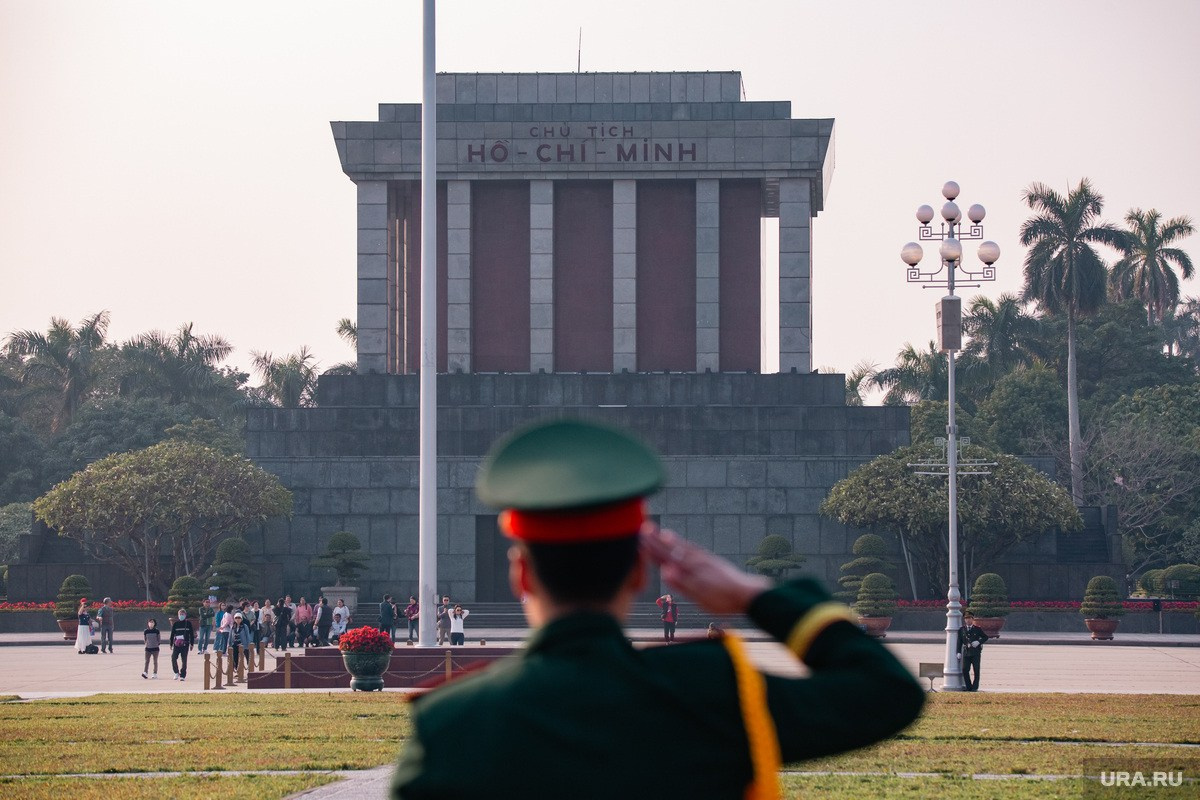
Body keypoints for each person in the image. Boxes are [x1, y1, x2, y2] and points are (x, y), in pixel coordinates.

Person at [392, 419, 925, 799]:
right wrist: (753, 594)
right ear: (638, 572)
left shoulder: (452, 724)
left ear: (521, 574)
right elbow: (886, 694)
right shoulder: (710, 694)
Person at [957, 611, 990, 691]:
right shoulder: (962, 630)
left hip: (975, 652)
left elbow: (985, 637)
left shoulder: (977, 629)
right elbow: (959, 641)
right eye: (966, 619)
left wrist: (979, 642)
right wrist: (958, 652)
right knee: (965, 670)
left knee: (976, 670)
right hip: (966, 652)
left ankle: (974, 688)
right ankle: (969, 687)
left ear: (972, 619)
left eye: (969, 618)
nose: (967, 620)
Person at [227, 612, 253, 683]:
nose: (238, 619)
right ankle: (238, 672)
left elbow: (248, 635)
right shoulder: (233, 626)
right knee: (235, 659)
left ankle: (250, 671)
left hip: (243, 645)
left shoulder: (244, 626)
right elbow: (230, 636)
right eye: (236, 618)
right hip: (235, 644)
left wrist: (249, 644)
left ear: (241, 619)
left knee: (248, 657)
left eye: (239, 618)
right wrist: (229, 645)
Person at [170, 608, 195, 681]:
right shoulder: (175, 624)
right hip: (177, 644)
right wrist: (171, 643)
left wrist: (192, 644)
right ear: (178, 615)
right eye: (180, 614)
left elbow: (191, 634)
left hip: (185, 644)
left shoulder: (188, 624)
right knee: (173, 658)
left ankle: (183, 675)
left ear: (185, 615)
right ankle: (176, 672)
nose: (181, 616)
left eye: (183, 614)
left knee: (184, 660)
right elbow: (172, 634)